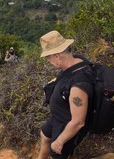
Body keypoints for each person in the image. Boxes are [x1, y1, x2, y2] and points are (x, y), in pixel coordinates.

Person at [37, 30, 93, 159]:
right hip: (59, 116)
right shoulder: (77, 61)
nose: (48, 61)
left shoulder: (79, 85)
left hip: (67, 125)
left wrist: (60, 141)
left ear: (57, 55)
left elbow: (78, 122)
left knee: (56, 153)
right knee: (45, 135)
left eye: (48, 57)